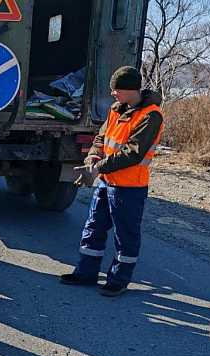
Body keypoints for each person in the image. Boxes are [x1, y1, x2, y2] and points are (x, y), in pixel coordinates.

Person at [61, 66, 164, 297]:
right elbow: (101, 136)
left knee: (124, 235)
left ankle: (118, 280)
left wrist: (98, 168)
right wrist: (93, 154)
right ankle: (85, 273)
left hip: (129, 187)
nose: (112, 94)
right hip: (107, 182)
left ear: (130, 89)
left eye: (116, 89)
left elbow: (133, 153)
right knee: (93, 228)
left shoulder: (151, 115)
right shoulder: (117, 109)